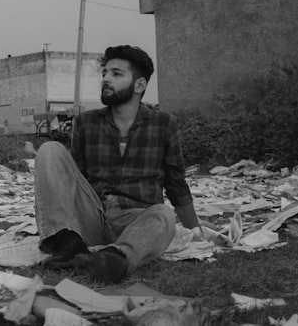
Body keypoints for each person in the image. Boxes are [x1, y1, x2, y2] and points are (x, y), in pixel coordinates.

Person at [34, 45, 201, 284]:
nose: (106, 79)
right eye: (104, 73)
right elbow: (74, 179)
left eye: (116, 74)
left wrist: (195, 231)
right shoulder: (86, 123)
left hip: (138, 222)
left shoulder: (164, 124)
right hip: (94, 216)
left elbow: (176, 185)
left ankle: (113, 260)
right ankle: (67, 246)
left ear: (139, 85)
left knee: (164, 215)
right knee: (50, 150)